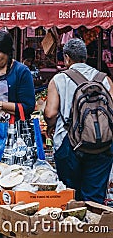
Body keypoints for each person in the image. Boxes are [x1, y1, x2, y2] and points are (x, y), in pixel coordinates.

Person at [44, 38, 113, 204]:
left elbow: (51, 113)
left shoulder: (59, 79)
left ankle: (72, 228)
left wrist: (50, 127)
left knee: (70, 196)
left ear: (67, 58)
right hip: (102, 145)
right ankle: (95, 226)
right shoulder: (104, 79)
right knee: (94, 200)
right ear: (86, 56)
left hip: (69, 144)